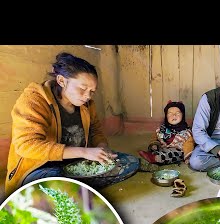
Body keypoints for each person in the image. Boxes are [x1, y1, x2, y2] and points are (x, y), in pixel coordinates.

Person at [5, 52, 135, 197]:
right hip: (39, 167)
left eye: (92, 91)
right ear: (61, 80)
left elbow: (95, 130)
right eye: (82, 88)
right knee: (63, 189)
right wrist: (84, 152)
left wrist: (102, 147)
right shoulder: (35, 100)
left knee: (125, 163)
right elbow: (26, 145)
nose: (87, 96)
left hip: (74, 162)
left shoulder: (87, 104)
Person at [138, 100, 194, 171]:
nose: (174, 115)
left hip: (177, 150)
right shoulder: (162, 129)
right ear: (166, 116)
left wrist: (188, 158)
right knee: (154, 150)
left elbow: (189, 145)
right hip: (163, 148)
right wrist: (154, 144)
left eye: (177, 113)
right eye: (170, 113)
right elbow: (155, 137)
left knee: (173, 155)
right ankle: (151, 161)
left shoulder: (186, 133)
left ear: (183, 115)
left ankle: (154, 159)